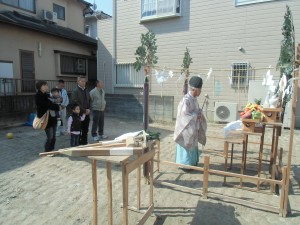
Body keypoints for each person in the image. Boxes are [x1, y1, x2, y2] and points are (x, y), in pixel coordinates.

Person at [174, 76, 207, 167]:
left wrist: (199, 112)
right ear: (195, 90)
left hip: (193, 128)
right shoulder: (186, 100)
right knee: (186, 146)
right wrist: (196, 115)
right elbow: (184, 115)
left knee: (193, 145)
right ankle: (184, 164)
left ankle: (192, 163)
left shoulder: (194, 99)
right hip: (185, 129)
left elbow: (195, 111)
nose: (201, 91)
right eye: (200, 89)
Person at [35, 81, 61, 152]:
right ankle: (47, 150)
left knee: (54, 136)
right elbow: (47, 105)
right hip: (46, 119)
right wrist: (58, 107)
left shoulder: (46, 95)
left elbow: (54, 101)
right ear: (40, 87)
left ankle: (52, 149)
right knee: (50, 136)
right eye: (44, 85)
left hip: (53, 118)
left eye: (46, 85)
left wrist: (57, 102)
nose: (46, 86)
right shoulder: (38, 96)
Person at [70, 76, 90, 145]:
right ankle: (77, 143)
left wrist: (89, 109)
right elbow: (75, 102)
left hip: (87, 113)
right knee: (78, 129)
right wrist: (84, 110)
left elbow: (89, 101)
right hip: (78, 113)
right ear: (78, 82)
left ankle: (84, 142)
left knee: (85, 129)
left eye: (84, 81)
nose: (83, 82)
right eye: (81, 81)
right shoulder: (75, 91)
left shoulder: (86, 90)